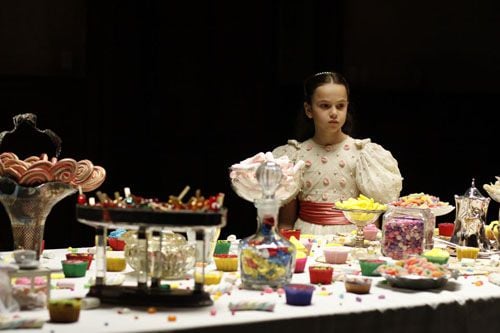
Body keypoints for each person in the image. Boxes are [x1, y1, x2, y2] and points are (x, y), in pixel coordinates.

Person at [272, 71, 403, 235]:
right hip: (306, 237)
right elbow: (286, 221)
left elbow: (371, 218)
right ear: (308, 109)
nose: (334, 113)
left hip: (351, 238)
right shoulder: (295, 155)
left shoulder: (363, 154)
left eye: (340, 106)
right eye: (325, 106)